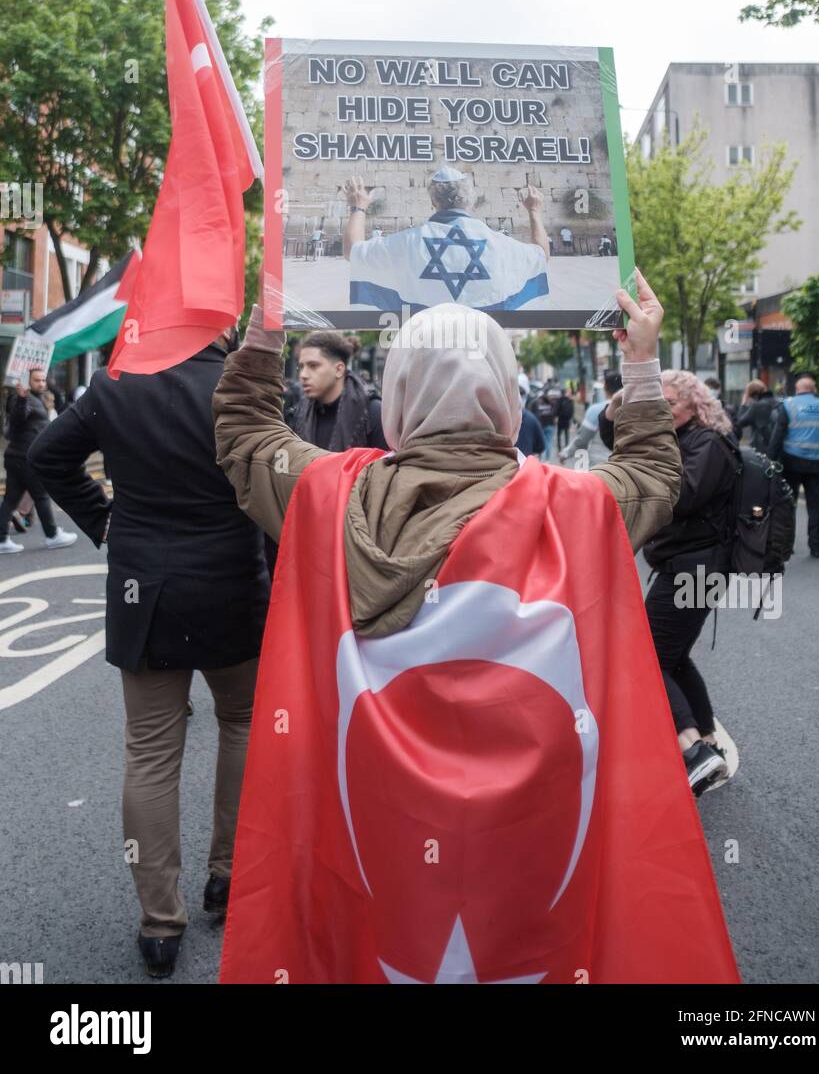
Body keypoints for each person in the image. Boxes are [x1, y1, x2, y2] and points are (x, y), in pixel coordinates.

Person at [212, 272, 739, 985]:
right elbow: (652, 472)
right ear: (506, 391)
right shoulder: (578, 507)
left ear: (396, 390)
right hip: (531, 865)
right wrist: (641, 362)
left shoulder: (329, 498)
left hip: (383, 856)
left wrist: (263, 338)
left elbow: (246, 438)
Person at [29, 330, 271, 979]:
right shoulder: (243, 381)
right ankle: (227, 874)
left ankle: (159, 923)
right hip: (231, 583)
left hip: (144, 588)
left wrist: (102, 519)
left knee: (150, 750)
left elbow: (46, 456)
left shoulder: (115, 382)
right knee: (243, 723)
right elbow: (280, 487)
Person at [642, 370, 739, 795]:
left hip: (695, 568)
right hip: (689, 563)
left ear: (694, 406)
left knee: (647, 655)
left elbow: (683, 497)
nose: (663, 411)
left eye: (671, 404)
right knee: (675, 656)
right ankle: (710, 742)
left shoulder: (709, 444)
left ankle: (693, 749)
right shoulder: (687, 439)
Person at [343, 166, 550, 314]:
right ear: (471, 200)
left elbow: (353, 251)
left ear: (433, 201)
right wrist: (535, 211)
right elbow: (541, 254)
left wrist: (358, 207)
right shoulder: (500, 245)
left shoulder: (407, 243)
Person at [0, 368, 77, 553]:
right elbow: (17, 420)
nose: (41, 384)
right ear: (28, 381)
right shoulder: (23, 399)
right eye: (37, 380)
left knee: (11, 499)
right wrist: (22, 398)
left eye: (43, 380)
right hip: (25, 458)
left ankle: (2, 539)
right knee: (41, 495)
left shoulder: (37, 398)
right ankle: (52, 535)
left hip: (17, 457)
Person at [768, 372, 819, 559]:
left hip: (792, 461)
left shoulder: (788, 405)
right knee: (815, 504)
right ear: (813, 389)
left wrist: (770, 460)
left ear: (798, 389)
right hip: (818, 463)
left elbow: (778, 434)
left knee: (789, 504)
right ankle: (816, 545)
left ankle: (787, 544)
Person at [290, 331, 388, 451]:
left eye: (313, 366)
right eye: (301, 367)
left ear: (339, 370)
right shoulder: (299, 413)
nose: (303, 375)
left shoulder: (372, 412)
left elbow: (387, 466)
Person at [562, 370, 622, 468]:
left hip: (600, 466)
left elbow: (582, 441)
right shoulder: (631, 408)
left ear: (605, 387)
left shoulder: (595, 410)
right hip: (625, 468)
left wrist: (565, 454)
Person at [736, 380, 778, 455]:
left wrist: (744, 403)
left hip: (761, 449)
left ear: (752, 395)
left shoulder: (757, 406)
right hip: (778, 447)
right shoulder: (779, 403)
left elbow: (740, 421)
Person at [516, 373, 545, 458]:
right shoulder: (531, 418)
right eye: (517, 391)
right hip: (525, 465)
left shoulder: (500, 419)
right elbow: (541, 446)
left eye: (521, 392)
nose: (519, 396)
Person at [529, 383, 559, 461]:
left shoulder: (536, 403)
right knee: (548, 442)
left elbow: (532, 413)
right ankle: (547, 459)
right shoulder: (551, 403)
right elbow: (555, 412)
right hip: (550, 425)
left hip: (541, 425)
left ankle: (541, 458)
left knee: (542, 443)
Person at [556, 388, 574, 452]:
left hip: (564, 420)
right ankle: (562, 447)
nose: (570, 394)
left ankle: (563, 448)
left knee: (563, 434)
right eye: (569, 392)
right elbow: (557, 408)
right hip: (563, 420)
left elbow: (572, 411)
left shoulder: (568, 400)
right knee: (562, 434)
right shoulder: (565, 400)